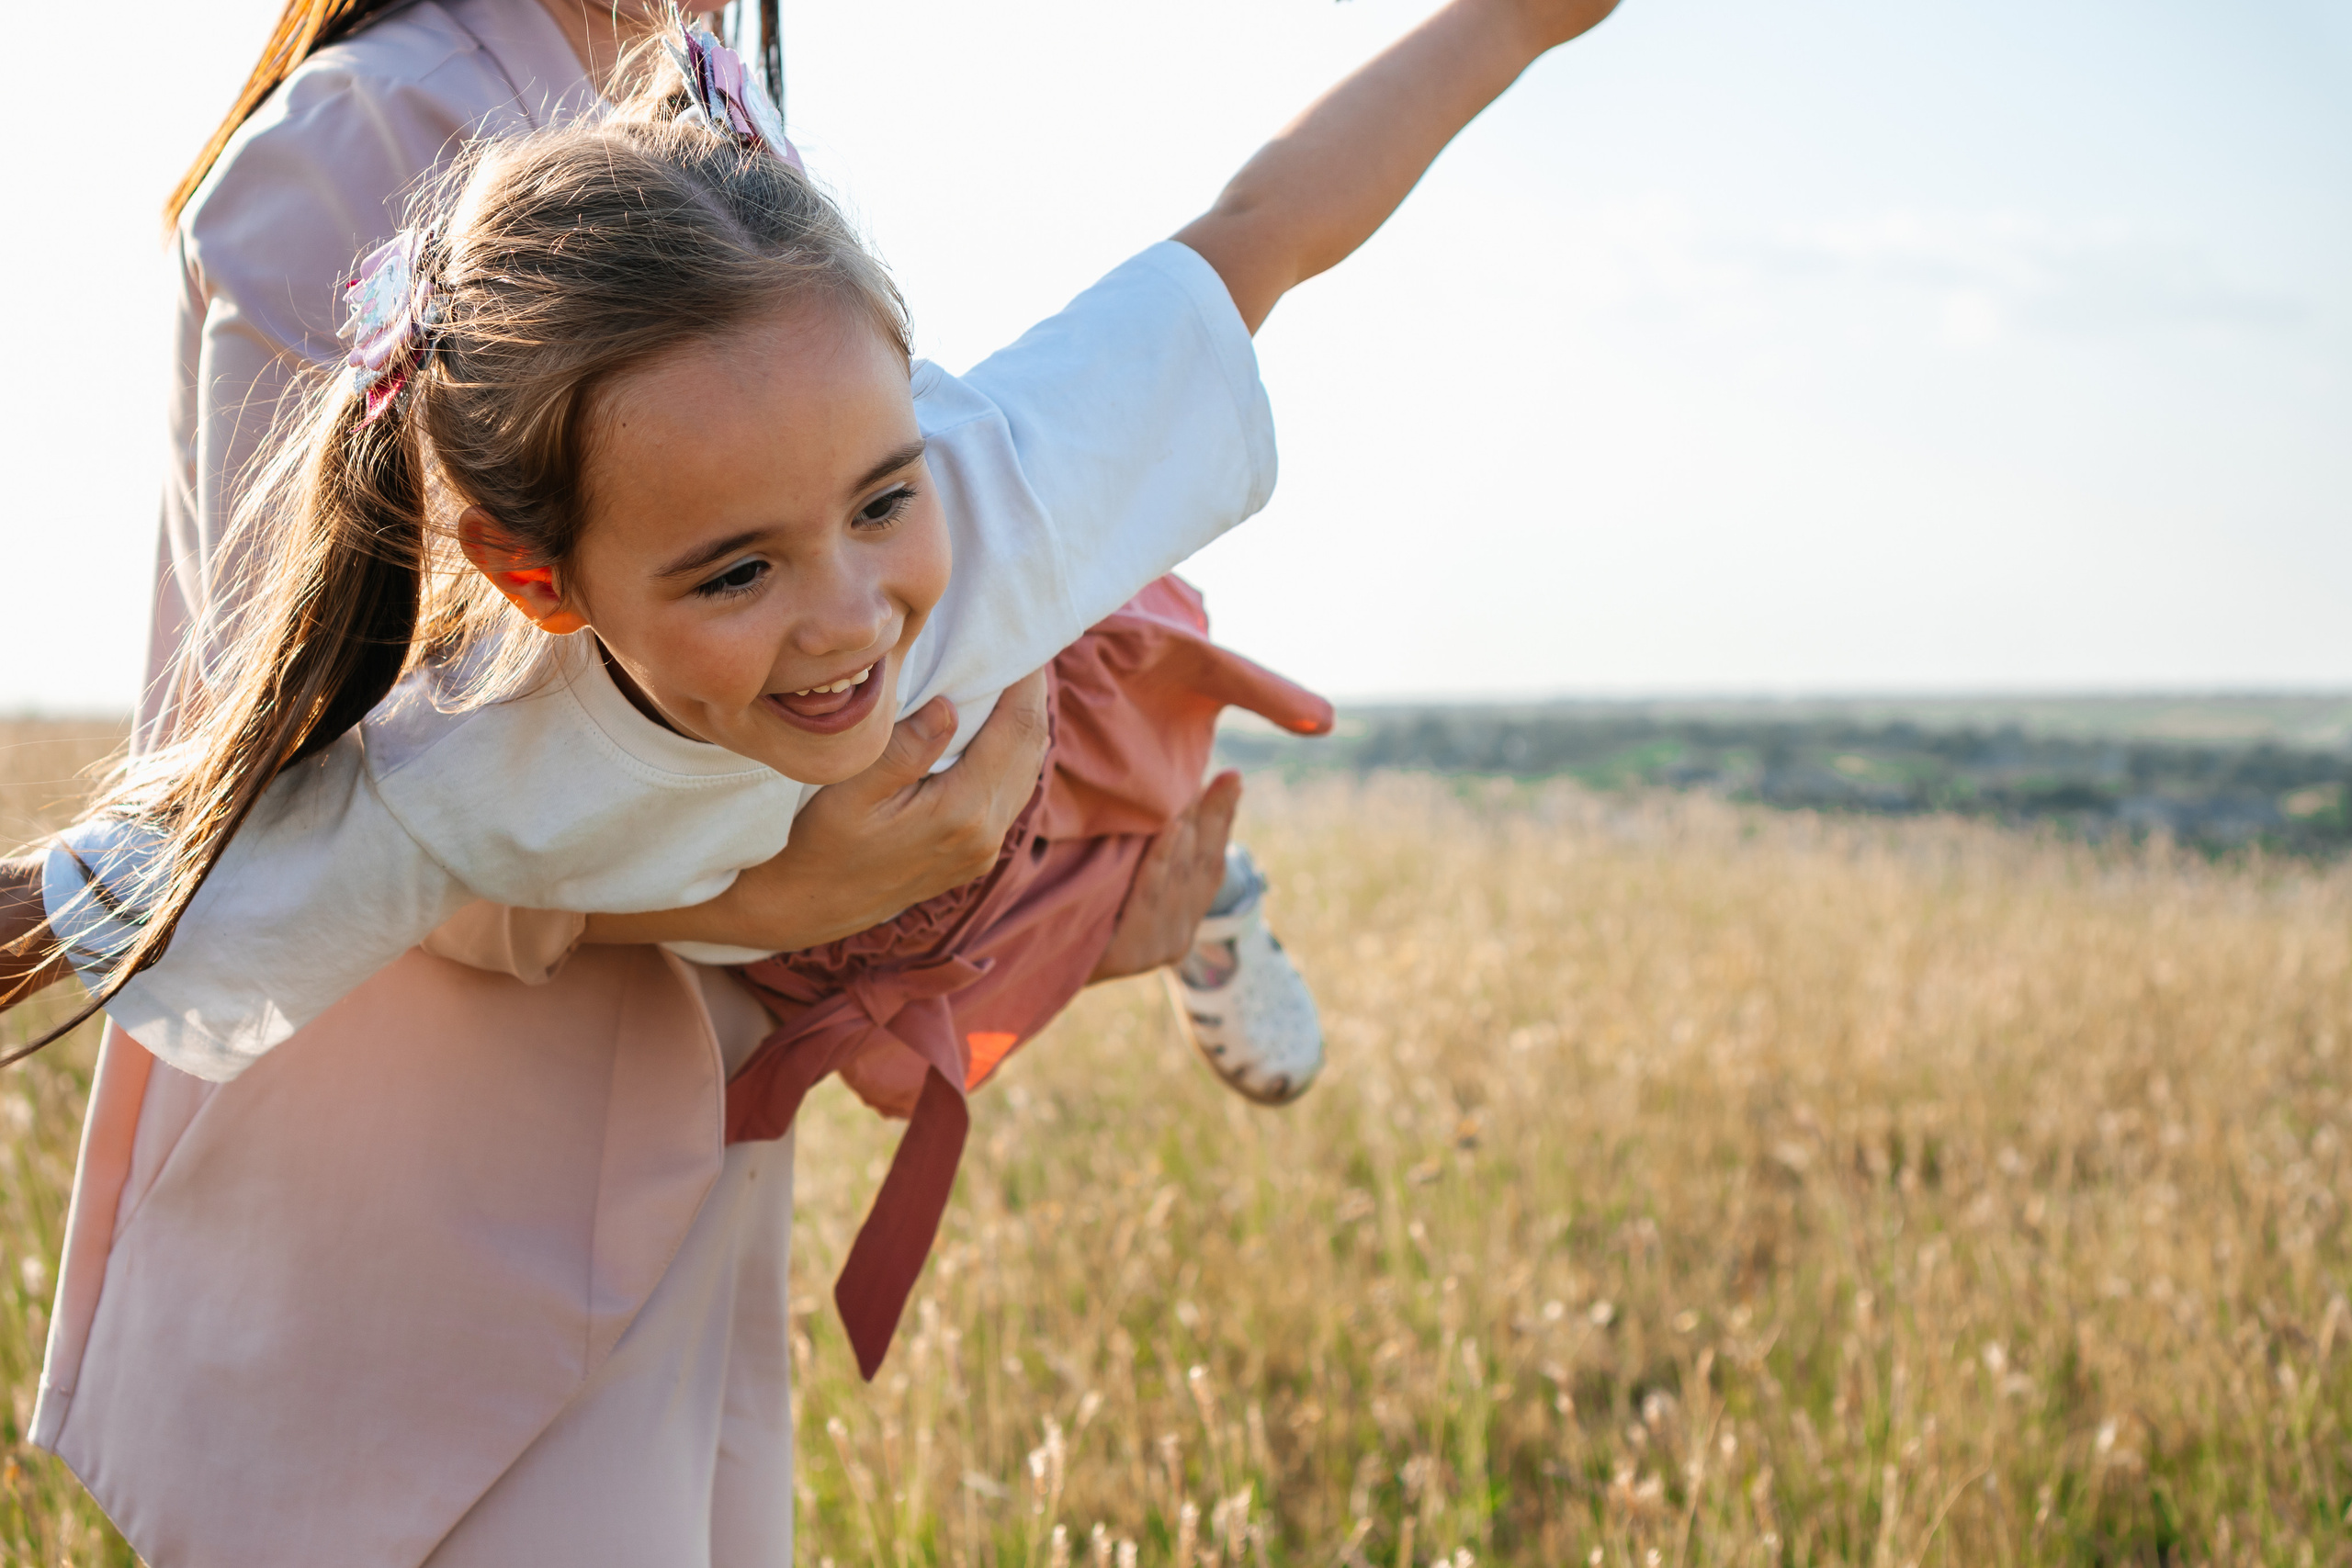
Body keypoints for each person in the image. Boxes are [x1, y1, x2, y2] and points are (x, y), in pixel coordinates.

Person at [0, 0, 1623, 1561]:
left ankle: (1179, 896)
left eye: (872, 496)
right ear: (539, 580)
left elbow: (1260, 233)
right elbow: (139, 882)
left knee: (1123, 684)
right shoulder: (481, 768)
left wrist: (1510, 25)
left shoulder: (955, 493)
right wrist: (790, 893)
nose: (838, 615)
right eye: (733, 572)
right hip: (460, 1226)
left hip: (841, 920)